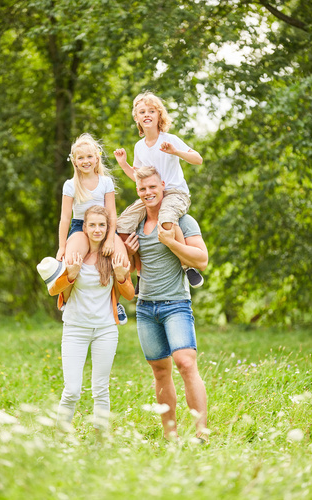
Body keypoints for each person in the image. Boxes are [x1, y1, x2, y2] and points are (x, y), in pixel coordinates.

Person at [124, 167, 208, 442]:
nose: (148, 193)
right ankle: (170, 435)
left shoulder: (183, 221)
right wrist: (129, 251)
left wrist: (172, 243)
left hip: (176, 304)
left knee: (185, 362)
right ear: (138, 192)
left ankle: (201, 432)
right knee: (160, 371)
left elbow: (202, 259)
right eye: (142, 189)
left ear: (162, 186)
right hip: (147, 308)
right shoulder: (135, 225)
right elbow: (132, 267)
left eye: (152, 187)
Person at [37, 205, 135, 431]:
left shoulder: (113, 257)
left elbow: (129, 295)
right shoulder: (75, 255)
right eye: (93, 225)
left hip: (105, 330)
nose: (97, 229)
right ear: (85, 227)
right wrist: (71, 274)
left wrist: (121, 278)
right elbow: (54, 290)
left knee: (101, 389)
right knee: (71, 390)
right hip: (75, 329)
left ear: (107, 228)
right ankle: (60, 438)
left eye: (102, 225)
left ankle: (101, 442)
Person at [114, 91, 204, 292]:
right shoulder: (139, 147)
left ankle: (187, 266)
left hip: (174, 193)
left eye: (151, 111)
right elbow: (140, 180)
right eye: (142, 111)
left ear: (159, 115)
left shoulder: (169, 139)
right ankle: (139, 273)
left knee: (166, 218)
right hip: (152, 195)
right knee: (123, 224)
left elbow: (198, 159)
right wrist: (123, 164)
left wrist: (176, 152)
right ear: (136, 118)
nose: (147, 114)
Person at [56, 132, 127, 324]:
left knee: (122, 259)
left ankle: (116, 302)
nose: (86, 161)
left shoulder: (105, 182)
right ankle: (66, 300)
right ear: (75, 162)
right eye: (81, 158)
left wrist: (111, 238)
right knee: (71, 259)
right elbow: (65, 218)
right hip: (80, 226)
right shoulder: (71, 185)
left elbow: (112, 214)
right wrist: (62, 246)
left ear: (97, 158)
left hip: (104, 227)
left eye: (89, 157)